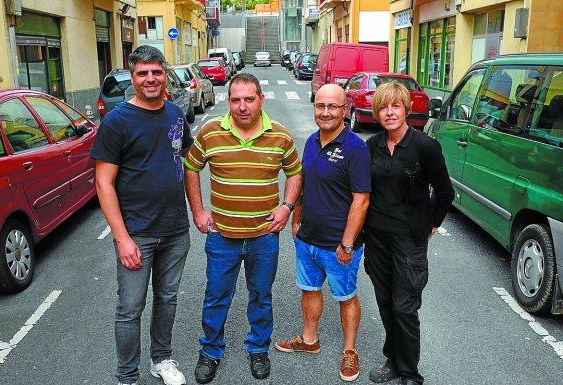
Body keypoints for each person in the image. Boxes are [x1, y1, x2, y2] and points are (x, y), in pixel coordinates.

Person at [183, 73, 303, 384]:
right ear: (228, 101)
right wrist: (197, 210)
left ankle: (258, 347)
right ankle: (210, 351)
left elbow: (295, 172)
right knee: (216, 296)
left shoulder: (280, 135)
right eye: (236, 100)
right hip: (222, 236)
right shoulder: (210, 133)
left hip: (264, 237)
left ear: (261, 99)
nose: (242, 106)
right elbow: (191, 166)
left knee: (261, 296)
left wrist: (287, 207)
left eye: (249, 99)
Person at [90, 45, 193, 385]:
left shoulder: (176, 114)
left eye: (156, 72)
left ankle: (161, 359)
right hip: (137, 233)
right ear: (132, 79)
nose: (150, 79)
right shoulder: (117, 121)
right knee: (130, 308)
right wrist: (122, 238)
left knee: (167, 298)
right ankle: (127, 375)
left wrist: (197, 212)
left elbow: (186, 163)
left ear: (165, 74)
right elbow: (103, 183)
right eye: (142, 73)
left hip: (175, 230)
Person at [275, 84, 371, 382]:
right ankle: (309, 339)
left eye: (333, 107)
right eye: (320, 106)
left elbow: (361, 199)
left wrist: (347, 242)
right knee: (309, 289)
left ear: (345, 110)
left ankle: (350, 351)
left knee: (346, 296)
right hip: (308, 238)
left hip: (338, 244)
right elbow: (304, 183)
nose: (325, 112)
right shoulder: (312, 142)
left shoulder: (356, 148)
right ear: (314, 107)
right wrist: (296, 219)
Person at [364, 82, 454, 385]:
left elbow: (445, 192)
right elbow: (363, 193)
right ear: (377, 112)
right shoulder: (372, 145)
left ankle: (410, 373)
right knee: (386, 303)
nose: (389, 112)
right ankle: (393, 360)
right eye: (383, 107)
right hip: (377, 238)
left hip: (408, 240)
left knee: (405, 307)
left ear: (406, 109)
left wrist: (432, 224)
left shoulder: (424, 146)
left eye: (396, 106)